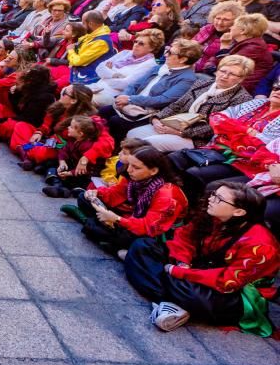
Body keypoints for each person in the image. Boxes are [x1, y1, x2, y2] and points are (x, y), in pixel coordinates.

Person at [125, 181, 280, 333]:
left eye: (219, 198)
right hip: (198, 268)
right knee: (143, 246)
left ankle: (157, 284)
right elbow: (185, 237)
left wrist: (178, 272)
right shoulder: (213, 215)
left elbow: (227, 281)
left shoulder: (260, 245)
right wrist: (182, 262)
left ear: (239, 212)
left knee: (192, 295)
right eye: (213, 194)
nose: (211, 199)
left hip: (235, 293)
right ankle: (171, 302)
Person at [67, 146, 187, 257]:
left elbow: (150, 227)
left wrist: (117, 219)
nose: (129, 170)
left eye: (136, 167)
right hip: (131, 215)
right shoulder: (135, 177)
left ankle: (89, 223)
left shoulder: (167, 194)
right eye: (129, 165)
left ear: (154, 171)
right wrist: (96, 193)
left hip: (155, 232)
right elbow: (116, 193)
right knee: (84, 197)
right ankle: (98, 229)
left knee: (132, 239)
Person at [127, 56, 253, 152]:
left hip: (197, 138)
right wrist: (156, 119)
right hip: (174, 125)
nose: (224, 76)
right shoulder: (202, 83)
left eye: (232, 74)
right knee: (133, 134)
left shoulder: (242, 98)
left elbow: (216, 128)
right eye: (222, 71)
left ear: (242, 78)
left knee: (148, 144)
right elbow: (177, 105)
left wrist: (180, 133)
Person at [87, 29, 161, 107]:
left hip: (112, 95)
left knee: (80, 98)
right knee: (73, 89)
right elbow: (99, 68)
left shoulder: (149, 64)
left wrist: (107, 72)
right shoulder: (125, 53)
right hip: (97, 86)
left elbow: (125, 84)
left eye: (141, 43)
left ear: (152, 48)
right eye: (135, 41)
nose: (136, 45)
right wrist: (115, 75)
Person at [219, 13, 273, 92]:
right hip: (231, 81)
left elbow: (226, 66)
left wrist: (224, 46)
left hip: (239, 88)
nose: (230, 27)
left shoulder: (254, 47)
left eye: (234, 25)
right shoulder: (242, 43)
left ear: (243, 31)